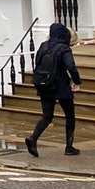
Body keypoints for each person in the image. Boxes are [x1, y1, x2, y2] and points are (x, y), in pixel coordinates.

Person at [25, 22, 82, 158]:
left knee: (47, 116)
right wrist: (77, 81)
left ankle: (33, 139)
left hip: (44, 84)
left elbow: (37, 62)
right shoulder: (64, 49)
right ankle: (69, 147)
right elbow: (71, 67)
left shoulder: (43, 46)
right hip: (61, 86)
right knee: (70, 115)